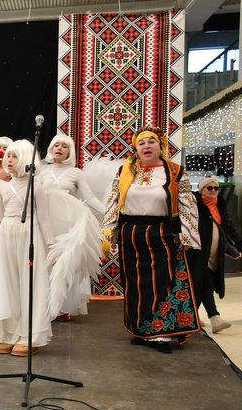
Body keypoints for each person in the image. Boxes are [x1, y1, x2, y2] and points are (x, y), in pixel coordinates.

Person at [103, 126, 201, 354]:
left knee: (161, 284)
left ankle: (160, 334)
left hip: (162, 234)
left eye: (151, 142)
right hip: (131, 235)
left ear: (161, 145)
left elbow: (187, 204)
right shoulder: (125, 171)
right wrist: (108, 232)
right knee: (135, 285)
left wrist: (188, 235)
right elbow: (113, 200)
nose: (146, 146)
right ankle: (140, 330)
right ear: (136, 148)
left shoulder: (176, 172)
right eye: (141, 143)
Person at [0, 140, 56, 357]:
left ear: (27, 159)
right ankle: (8, 333)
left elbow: (45, 219)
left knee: (28, 284)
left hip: (29, 234)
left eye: (14, 156)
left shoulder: (36, 187)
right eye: (7, 156)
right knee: (7, 282)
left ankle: (28, 335)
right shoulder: (3, 187)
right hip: (6, 235)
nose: (9, 161)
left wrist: (51, 246)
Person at [39, 133, 103, 322]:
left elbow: (90, 198)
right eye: (56, 145)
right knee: (45, 262)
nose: (59, 148)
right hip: (46, 223)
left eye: (64, 146)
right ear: (51, 148)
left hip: (68, 223)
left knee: (65, 264)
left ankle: (63, 307)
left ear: (70, 151)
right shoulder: (41, 171)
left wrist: (111, 213)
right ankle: (44, 305)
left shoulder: (76, 173)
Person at [191, 177, 242, 333]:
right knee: (206, 282)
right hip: (197, 253)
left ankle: (191, 317)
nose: (213, 191)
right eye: (209, 188)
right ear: (202, 190)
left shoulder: (220, 205)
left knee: (202, 284)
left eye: (216, 188)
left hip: (215, 254)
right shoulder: (195, 205)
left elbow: (229, 228)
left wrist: (239, 245)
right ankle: (215, 318)